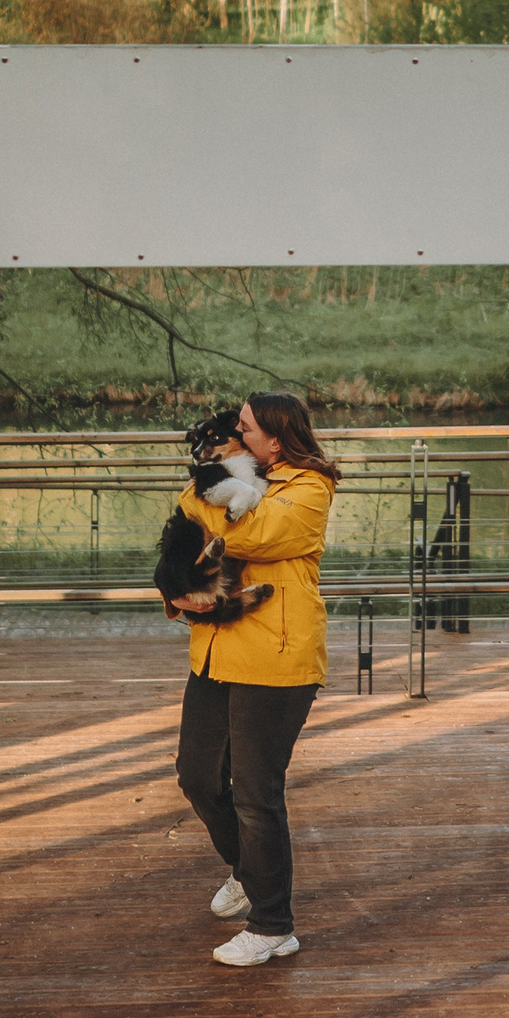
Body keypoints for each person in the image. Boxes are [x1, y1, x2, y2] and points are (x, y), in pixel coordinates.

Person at [167, 391, 339, 966]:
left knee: (255, 791)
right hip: (216, 648)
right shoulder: (234, 476)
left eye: (243, 427)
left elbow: (250, 535)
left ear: (272, 435)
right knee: (196, 775)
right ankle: (249, 870)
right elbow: (191, 535)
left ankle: (272, 925)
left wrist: (199, 496)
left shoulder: (309, 488)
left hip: (276, 658)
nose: (232, 436)